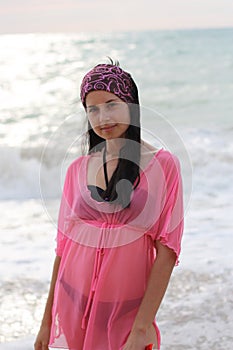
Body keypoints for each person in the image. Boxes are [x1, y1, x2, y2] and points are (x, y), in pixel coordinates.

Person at [34, 60, 184, 350]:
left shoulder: (163, 165)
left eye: (111, 104)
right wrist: (46, 321)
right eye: (92, 109)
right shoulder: (76, 169)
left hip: (126, 312)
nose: (102, 117)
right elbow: (62, 250)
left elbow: (167, 250)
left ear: (131, 105)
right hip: (73, 304)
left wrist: (142, 328)